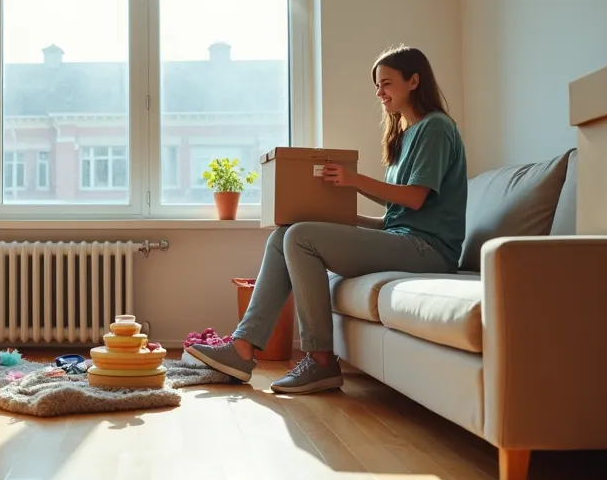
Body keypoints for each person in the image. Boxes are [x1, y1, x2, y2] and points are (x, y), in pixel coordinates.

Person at [187, 44, 467, 394]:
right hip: (407, 239)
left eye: (386, 84)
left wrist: (353, 180)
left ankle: (321, 361)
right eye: (377, 86)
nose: (380, 93)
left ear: (414, 81)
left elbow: (414, 198)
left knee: (301, 237)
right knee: (286, 233)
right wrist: (338, 217)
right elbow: (397, 218)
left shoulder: (436, 128)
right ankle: (243, 348)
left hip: (430, 251)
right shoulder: (405, 136)